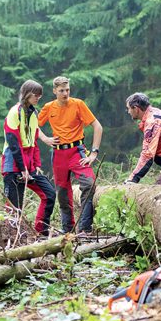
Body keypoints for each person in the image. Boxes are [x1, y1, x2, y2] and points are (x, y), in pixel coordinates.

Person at [38, 76, 103, 234]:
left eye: (67, 90)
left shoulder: (78, 104)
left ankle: (85, 229)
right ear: (54, 91)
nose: (65, 93)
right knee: (62, 193)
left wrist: (94, 153)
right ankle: (67, 232)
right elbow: (32, 125)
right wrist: (45, 138)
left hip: (77, 151)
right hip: (59, 154)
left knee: (89, 184)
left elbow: (97, 126)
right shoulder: (48, 107)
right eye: (61, 91)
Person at [1, 80, 56, 236]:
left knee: (50, 194)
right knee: (14, 205)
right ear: (27, 94)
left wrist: (36, 164)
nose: (38, 97)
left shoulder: (34, 113)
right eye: (35, 94)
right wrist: (22, 168)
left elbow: (33, 140)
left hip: (30, 165)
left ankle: (41, 232)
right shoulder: (14, 112)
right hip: (13, 164)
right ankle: (10, 237)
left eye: (40, 95)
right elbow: (13, 143)